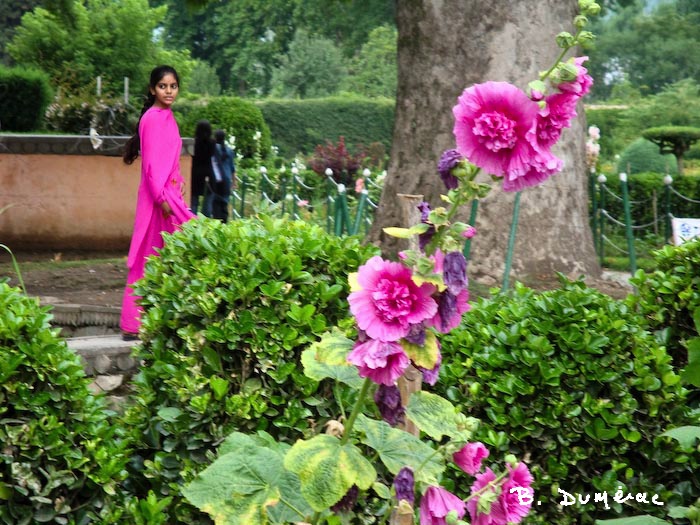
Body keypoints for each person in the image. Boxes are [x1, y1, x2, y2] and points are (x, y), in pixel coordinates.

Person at [120, 65, 195, 340]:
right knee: (147, 257)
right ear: (152, 89)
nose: (169, 91)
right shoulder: (152, 118)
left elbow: (169, 158)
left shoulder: (168, 117)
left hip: (169, 195)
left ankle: (163, 319)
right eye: (163, 86)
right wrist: (162, 198)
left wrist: (178, 182)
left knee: (171, 254)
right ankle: (133, 324)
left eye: (173, 86)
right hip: (157, 200)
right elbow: (151, 166)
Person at [191, 120, 216, 217]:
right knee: (208, 203)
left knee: (193, 202)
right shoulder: (212, 143)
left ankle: (192, 223)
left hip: (195, 174)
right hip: (208, 174)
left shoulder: (194, 143)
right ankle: (205, 224)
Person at [212, 129, 236, 222]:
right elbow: (232, 168)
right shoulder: (229, 150)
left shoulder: (214, 148)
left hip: (217, 179)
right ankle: (224, 222)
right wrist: (234, 182)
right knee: (224, 202)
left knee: (216, 202)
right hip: (227, 178)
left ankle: (217, 222)